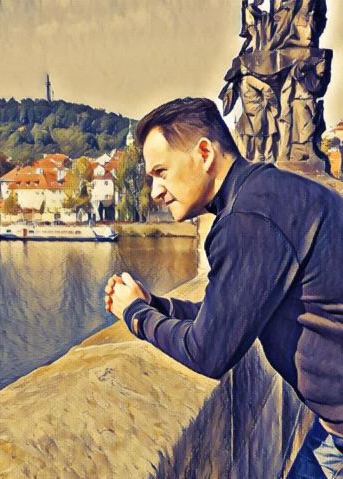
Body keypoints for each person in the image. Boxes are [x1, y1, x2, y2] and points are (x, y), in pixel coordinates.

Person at [104, 97, 343, 478]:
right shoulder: (268, 193)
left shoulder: (249, 218)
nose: (155, 191)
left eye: (161, 172)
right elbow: (229, 312)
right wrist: (155, 304)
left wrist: (136, 315)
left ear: (204, 153)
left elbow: (209, 352)